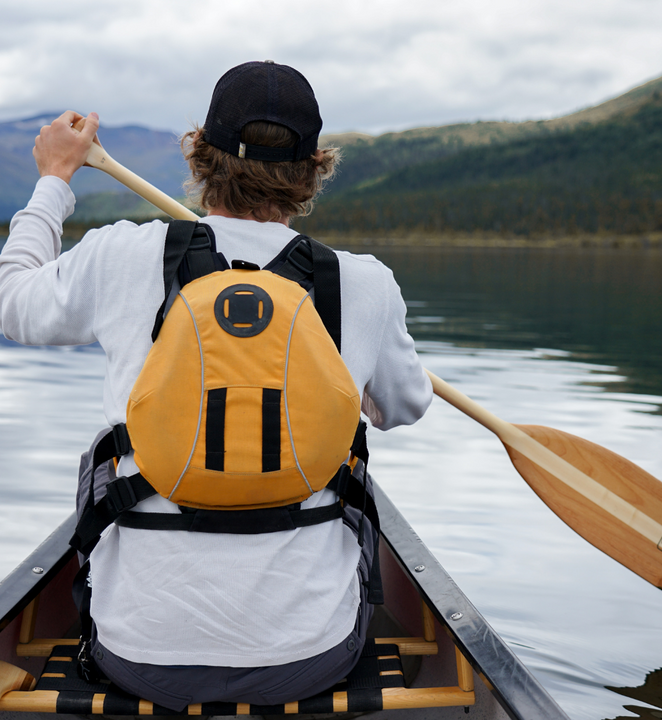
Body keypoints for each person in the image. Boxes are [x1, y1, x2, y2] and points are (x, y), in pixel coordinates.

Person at [0, 61, 432, 709]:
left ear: (199, 151)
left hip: (137, 656)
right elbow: (403, 407)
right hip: (310, 658)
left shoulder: (120, 253)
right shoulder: (363, 283)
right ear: (314, 166)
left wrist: (53, 181)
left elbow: (13, 304)